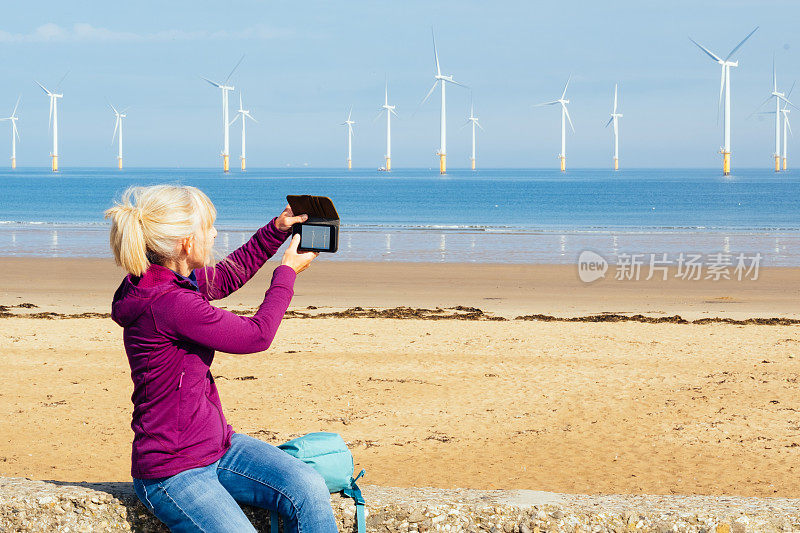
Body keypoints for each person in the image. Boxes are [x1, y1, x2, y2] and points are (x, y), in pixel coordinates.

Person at [105, 184, 337, 533]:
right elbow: (256, 336)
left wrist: (274, 231)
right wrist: (286, 273)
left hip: (219, 447)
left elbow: (227, 276)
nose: (214, 234)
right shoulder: (170, 303)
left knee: (308, 486)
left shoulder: (165, 281)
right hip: (172, 472)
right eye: (208, 228)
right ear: (186, 242)